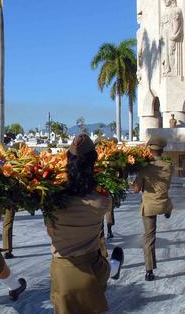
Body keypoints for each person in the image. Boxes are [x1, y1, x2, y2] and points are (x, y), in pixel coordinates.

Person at [46, 134, 123, 314]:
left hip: (63, 271)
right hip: (93, 267)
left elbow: (50, 232)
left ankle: (114, 266)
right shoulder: (103, 200)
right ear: (93, 163)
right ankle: (114, 266)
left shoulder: (52, 200)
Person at [132, 135, 173, 282]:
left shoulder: (145, 168)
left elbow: (136, 189)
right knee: (166, 202)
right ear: (161, 150)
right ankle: (168, 210)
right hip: (163, 202)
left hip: (149, 206)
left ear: (149, 150)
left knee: (149, 238)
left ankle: (149, 271)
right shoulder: (169, 167)